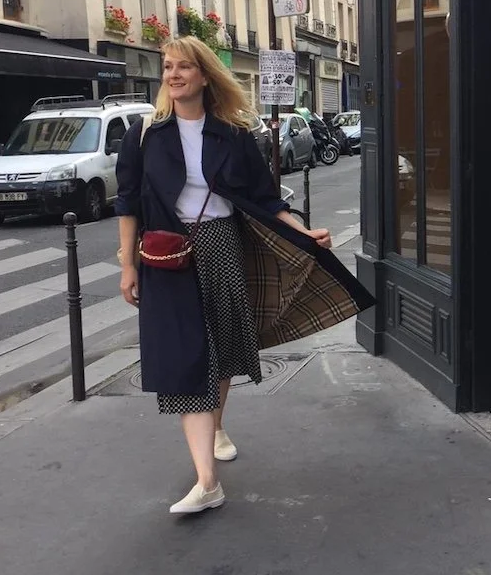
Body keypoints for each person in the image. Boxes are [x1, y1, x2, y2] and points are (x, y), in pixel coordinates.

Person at [116, 38, 373, 516]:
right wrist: (127, 263)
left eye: (183, 68)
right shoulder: (145, 134)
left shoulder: (232, 135)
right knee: (186, 359)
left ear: (205, 76)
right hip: (168, 257)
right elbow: (127, 200)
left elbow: (266, 197)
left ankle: (215, 425)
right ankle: (207, 481)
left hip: (223, 246)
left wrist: (301, 230)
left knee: (227, 348)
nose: (173, 75)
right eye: (168, 67)